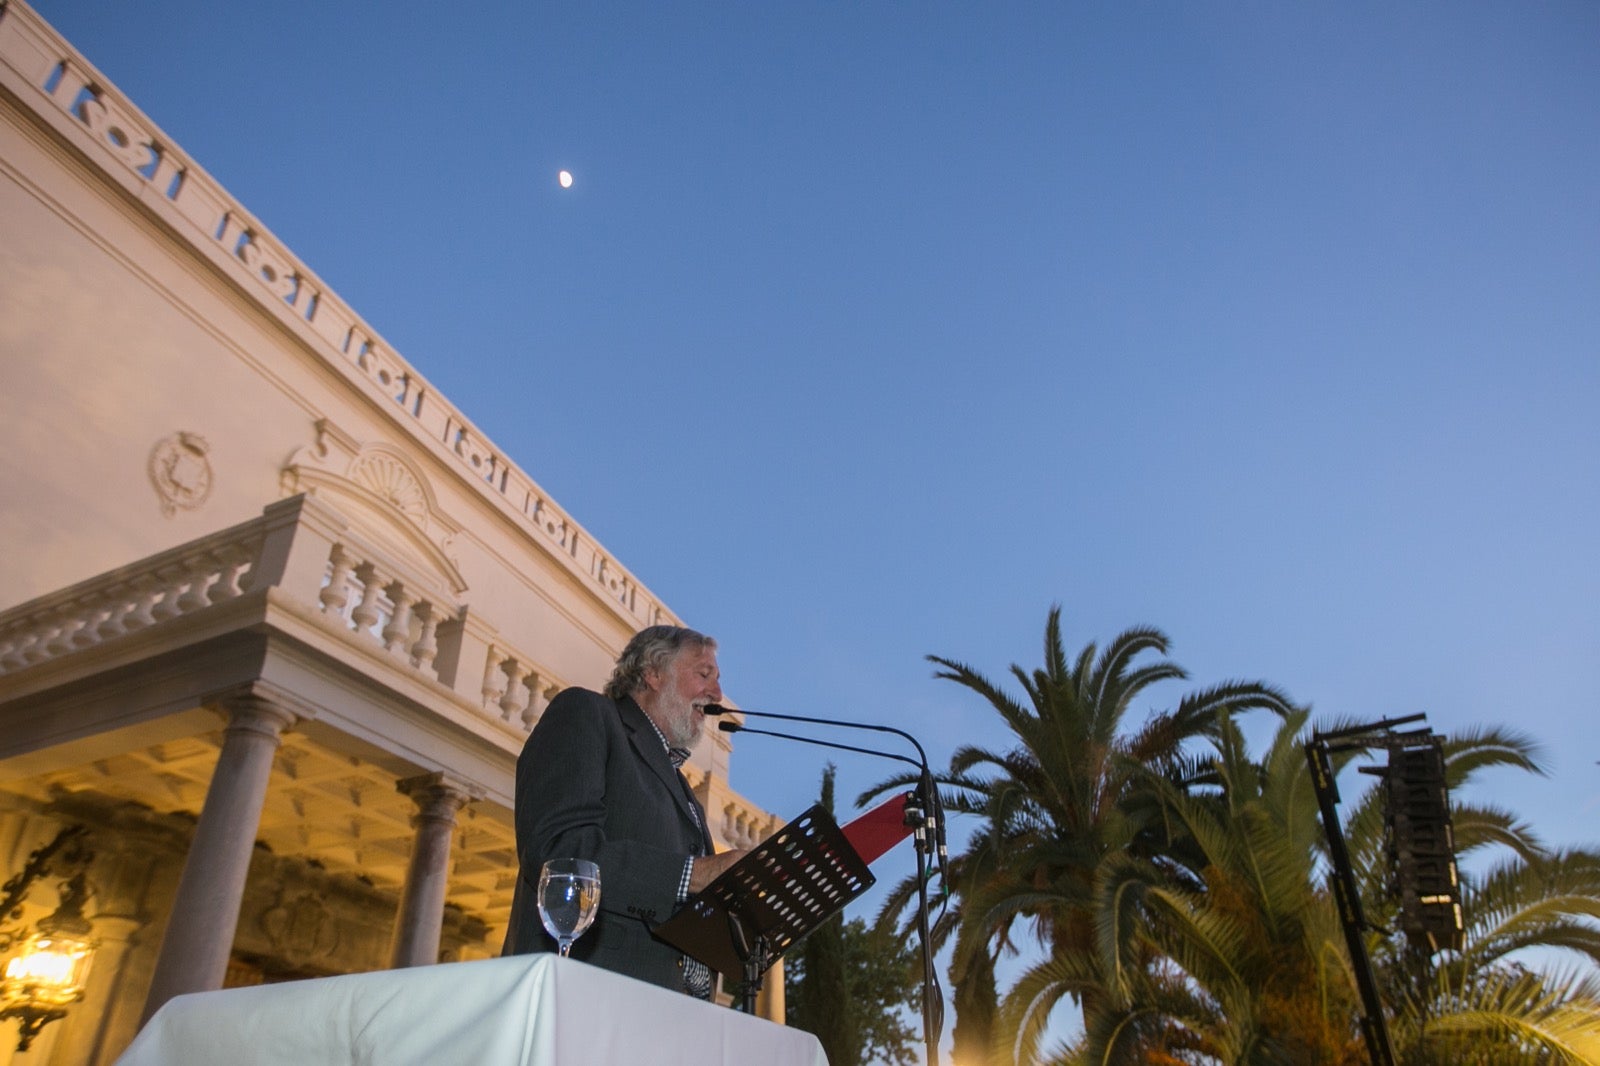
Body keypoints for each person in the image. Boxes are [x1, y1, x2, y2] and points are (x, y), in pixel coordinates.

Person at [501, 625, 747, 995]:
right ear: (652, 672)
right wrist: (694, 874)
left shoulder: (683, 789)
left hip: (667, 1017)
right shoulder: (586, 714)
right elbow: (561, 852)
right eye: (703, 674)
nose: (716, 693)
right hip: (582, 998)